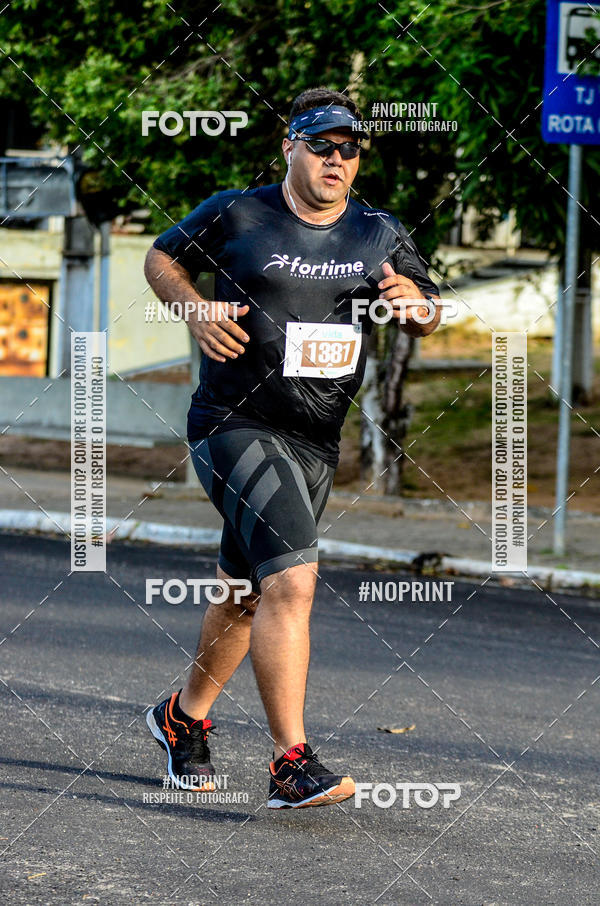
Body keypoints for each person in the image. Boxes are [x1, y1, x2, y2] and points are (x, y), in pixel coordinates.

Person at [143, 86, 441, 809]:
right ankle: (290, 761)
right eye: (323, 146)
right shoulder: (237, 211)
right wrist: (194, 307)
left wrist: (417, 309)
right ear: (291, 147)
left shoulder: (377, 230)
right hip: (232, 424)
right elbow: (161, 258)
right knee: (295, 582)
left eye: (351, 150)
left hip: (316, 440)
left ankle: (181, 718)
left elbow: (428, 305)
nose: (338, 160)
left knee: (246, 595)